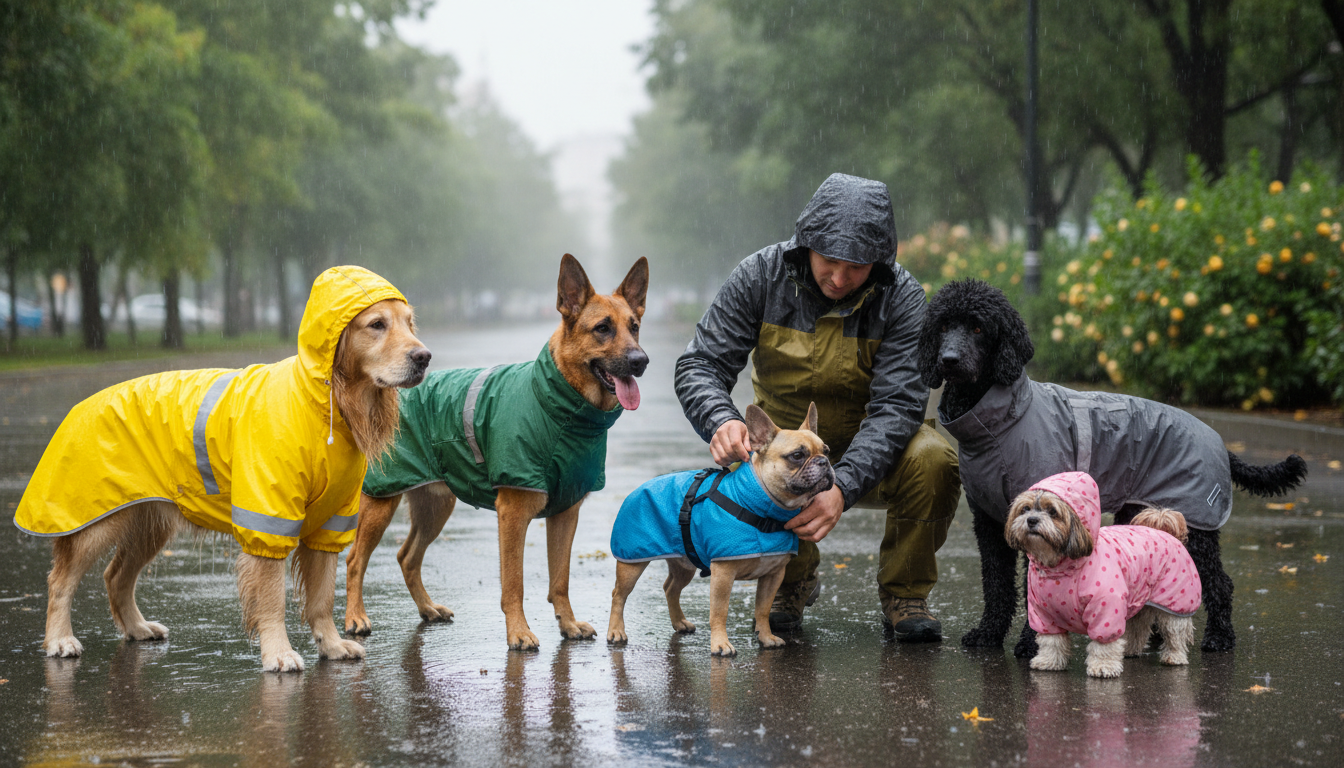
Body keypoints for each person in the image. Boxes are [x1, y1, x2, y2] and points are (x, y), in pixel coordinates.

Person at [674, 173, 961, 641]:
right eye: (829, 261)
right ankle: (790, 582)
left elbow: (897, 406)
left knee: (934, 459)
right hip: (786, 451)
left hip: (877, 448)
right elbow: (700, 364)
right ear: (805, 245)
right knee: (772, 473)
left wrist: (843, 484)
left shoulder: (903, 297)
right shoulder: (759, 276)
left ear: (880, 261)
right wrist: (720, 418)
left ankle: (905, 593)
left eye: (858, 267)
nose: (840, 279)